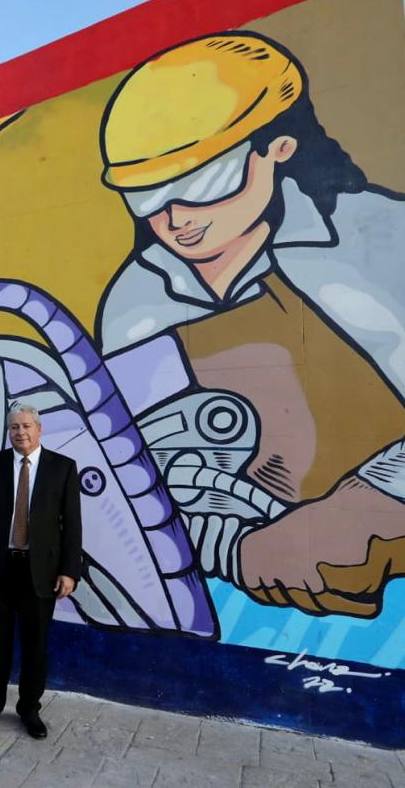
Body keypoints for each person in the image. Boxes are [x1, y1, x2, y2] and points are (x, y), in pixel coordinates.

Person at [96, 32, 405, 617]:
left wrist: (365, 509)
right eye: (148, 198)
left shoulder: (374, 242)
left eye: (201, 185)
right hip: (238, 583)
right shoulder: (136, 299)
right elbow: (145, 450)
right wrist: (228, 542)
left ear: (278, 147)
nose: (175, 219)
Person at [0, 404, 82, 738]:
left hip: (40, 572)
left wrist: (69, 571)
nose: (20, 432)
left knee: (35, 646)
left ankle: (29, 709)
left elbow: (72, 524)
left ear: (39, 429)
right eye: (14, 427)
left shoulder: (63, 467)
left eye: (26, 426)